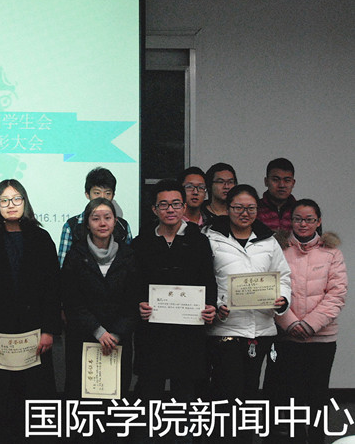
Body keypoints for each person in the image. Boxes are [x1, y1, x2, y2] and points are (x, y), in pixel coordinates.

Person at [0, 179, 60, 443]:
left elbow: (53, 288)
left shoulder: (41, 238)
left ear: (25, 202)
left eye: (16, 199)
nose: (11, 205)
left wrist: (49, 330)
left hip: (35, 334)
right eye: (5, 200)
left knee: (35, 399)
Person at [204, 184, 291, 442]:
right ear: (227, 208)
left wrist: (282, 300)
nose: (245, 213)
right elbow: (203, 278)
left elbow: (283, 277)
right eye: (238, 208)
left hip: (261, 329)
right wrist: (217, 303)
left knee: (250, 393)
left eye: (251, 208)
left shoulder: (268, 241)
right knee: (226, 393)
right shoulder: (211, 237)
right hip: (225, 328)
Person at [132, 180, 217, 416]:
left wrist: (211, 306)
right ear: (154, 209)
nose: (170, 209)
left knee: (186, 394)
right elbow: (133, 283)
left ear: (184, 207)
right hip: (152, 332)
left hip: (188, 332)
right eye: (164, 204)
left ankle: (183, 432)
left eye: (176, 204)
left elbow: (209, 280)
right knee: (149, 393)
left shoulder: (199, 241)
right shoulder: (141, 243)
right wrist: (139, 303)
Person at [269, 199, 347, 444]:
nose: (303, 224)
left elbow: (337, 294)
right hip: (287, 336)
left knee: (316, 394)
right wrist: (291, 323)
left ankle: (315, 439)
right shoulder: (278, 250)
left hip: (322, 338)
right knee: (288, 394)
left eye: (309, 219)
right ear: (290, 221)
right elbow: (271, 290)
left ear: (318, 221)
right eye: (298, 219)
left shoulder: (332, 252)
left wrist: (310, 324)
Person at [62, 198, 137, 402]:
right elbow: (71, 301)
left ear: (115, 222)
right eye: (96, 218)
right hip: (83, 338)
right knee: (81, 401)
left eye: (107, 218)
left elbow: (133, 301)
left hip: (117, 340)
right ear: (87, 223)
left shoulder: (129, 256)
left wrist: (115, 334)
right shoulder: (75, 256)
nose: (102, 223)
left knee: (116, 401)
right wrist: (98, 331)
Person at [58, 166, 132, 267]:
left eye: (108, 193)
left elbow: (130, 263)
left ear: (113, 195)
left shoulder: (123, 226)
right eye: (97, 193)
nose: (102, 197)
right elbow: (63, 266)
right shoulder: (71, 226)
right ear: (87, 194)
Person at [257, 157, 297, 234]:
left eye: (287, 180)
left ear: (293, 183)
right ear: (266, 181)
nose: (281, 185)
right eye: (275, 180)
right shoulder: (255, 209)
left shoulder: (300, 211)